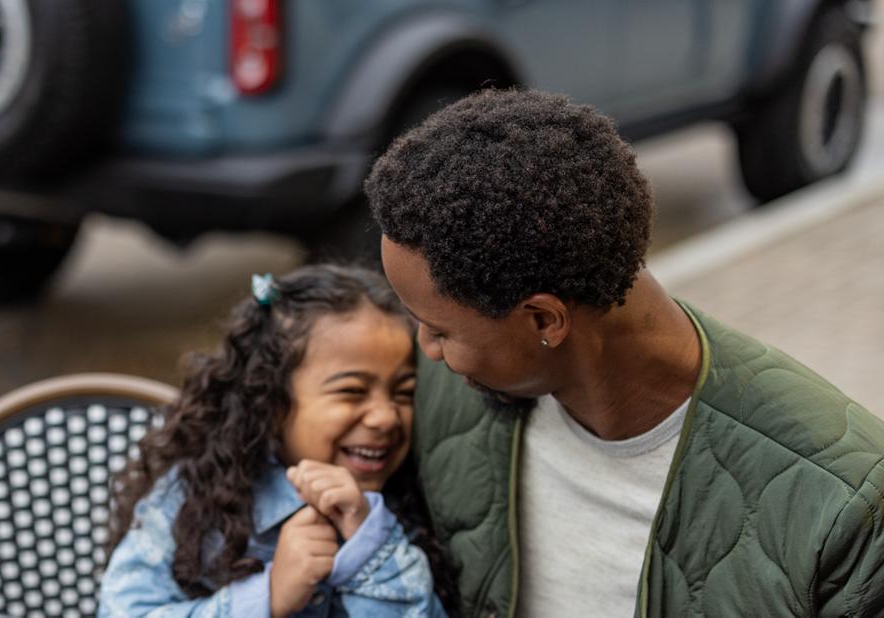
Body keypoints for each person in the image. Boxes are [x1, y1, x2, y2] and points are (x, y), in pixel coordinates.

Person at [365, 87, 884, 616]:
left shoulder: (846, 506)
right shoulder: (445, 392)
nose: (423, 349)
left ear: (545, 319)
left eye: (439, 331)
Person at [99, 265, 448, 617]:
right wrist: (267, 596)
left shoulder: (417, 500)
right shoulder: (193, 498)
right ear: (271, 400)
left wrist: (371, 550)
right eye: (352, 391)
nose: (386, 417)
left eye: (404, 393)